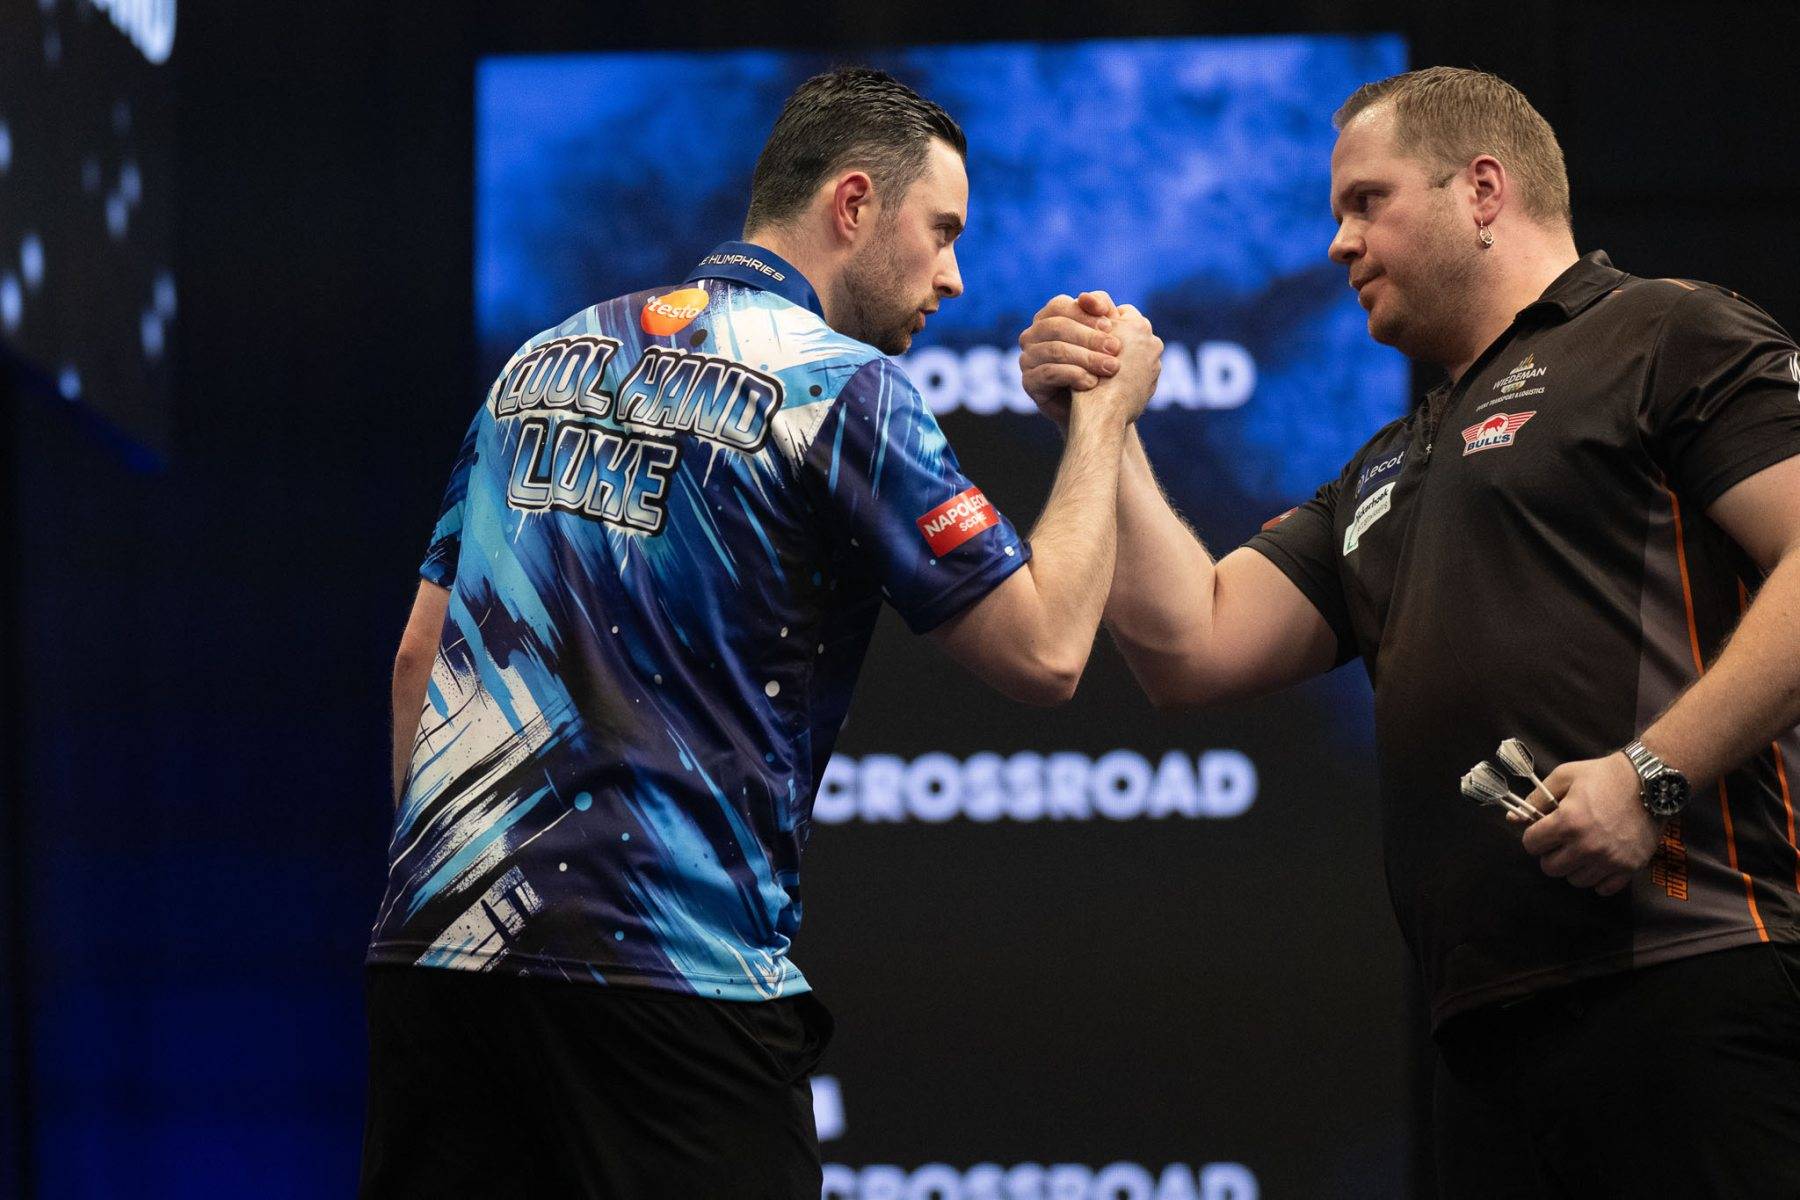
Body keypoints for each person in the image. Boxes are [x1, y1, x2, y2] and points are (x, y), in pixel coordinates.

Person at [359, 67, 1160, 1199]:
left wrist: (455, 897)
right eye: (941, 232)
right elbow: (1047, 650)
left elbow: (416, 660)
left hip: (436, 972)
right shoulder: (841, 389)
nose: (953, 276)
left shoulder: (536, 362)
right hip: (669, 984)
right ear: (853, 203)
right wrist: (1104, 418)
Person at [1019, 66, 1800, 1198]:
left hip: (1697, 967)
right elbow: (1193, 647)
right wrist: (1104, 427)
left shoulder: (1663, 332)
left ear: (1482, 189)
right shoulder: (1389, 463)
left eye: (1366, 202)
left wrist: (1650, 776)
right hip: (1487, 1026)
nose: (1339, 242)